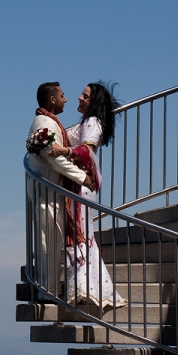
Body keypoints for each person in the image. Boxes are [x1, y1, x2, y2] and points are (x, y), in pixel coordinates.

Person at [48, 81, 128, 311]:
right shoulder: (87, 122)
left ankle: (84, 290)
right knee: (80, 235)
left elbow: (87, 150)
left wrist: (64, 150)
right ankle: (83, 288)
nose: (79, 98)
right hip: (78, 184)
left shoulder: (93, 123)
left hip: (81, 186)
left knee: (80, 234)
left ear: (93, 102)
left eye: (84, 96)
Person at [26, 82, 91, 295]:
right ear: (52, 99)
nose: (66, 99)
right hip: (46, 193)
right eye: (62, 95)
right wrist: (83, 177)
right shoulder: (43, 123)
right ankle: (47, 290)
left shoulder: (50, 122)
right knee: (48, 243)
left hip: (52, 192)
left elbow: (59, 152)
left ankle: (49, 289)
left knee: (54, 242)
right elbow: (54, 159)